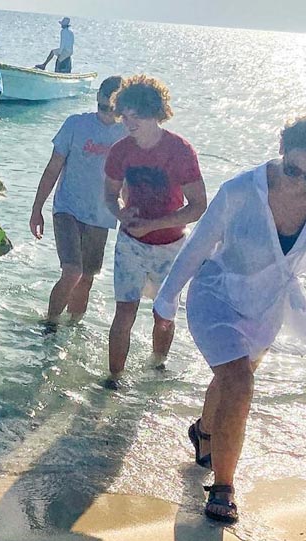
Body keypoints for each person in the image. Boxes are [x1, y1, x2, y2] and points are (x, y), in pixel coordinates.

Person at [152, 117, 306, 524]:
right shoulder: (242, 190)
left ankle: (203, 432)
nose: (300, 182)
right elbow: (199, 243)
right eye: (294, 170)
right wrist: (166, 299)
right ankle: (224, 487)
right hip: (216, 295)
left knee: (231, 380)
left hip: (267, 308)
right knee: (240, 381)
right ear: (282, 153)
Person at [103, 75, 207, 389]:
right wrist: (119, 212)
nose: (129, 122)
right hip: (130, 242)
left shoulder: (179, 150)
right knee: (125, 312)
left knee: (163, 315)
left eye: (137, 115)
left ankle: (156, 369)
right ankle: (114, 380)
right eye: (124, 115)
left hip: (171, 245)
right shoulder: (120, 151)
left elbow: (199, 206)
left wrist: (154, 224)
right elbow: (109, 195)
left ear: (156, 114)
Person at [29, 76, 126, 326]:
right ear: (97, 99)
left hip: (101, 215)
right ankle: (49, 325)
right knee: (73, 271)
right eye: (103, 108)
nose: (106, 114)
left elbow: (128, 182)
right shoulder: (75, 124)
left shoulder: (127, 134)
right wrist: (37, 208)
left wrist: (131, 218)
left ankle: (73, 327)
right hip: (67, 209)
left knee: (87, 278)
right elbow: (53, 168)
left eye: (113, 110)